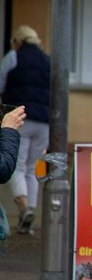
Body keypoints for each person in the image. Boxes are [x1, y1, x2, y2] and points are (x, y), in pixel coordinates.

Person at [2, 26, 52, 232]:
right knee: (32, 168)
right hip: (45, 121)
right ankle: (29, 212)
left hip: (20, 117)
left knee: (16, 164)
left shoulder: (14, 56)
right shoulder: (48, 60)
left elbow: (1, 82)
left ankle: (23, 207)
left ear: (18, 41)